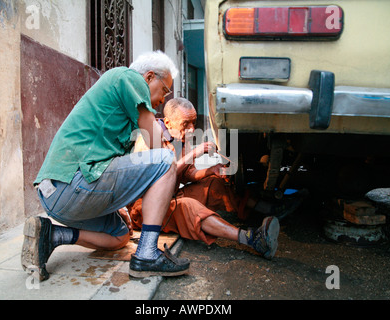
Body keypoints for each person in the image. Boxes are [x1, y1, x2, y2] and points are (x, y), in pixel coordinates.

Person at [21, 51, 190, 281]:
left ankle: (53, 236)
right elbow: (156, 146)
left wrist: (114, 202)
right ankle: (147, 254)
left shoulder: (124, 109)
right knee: (165, 160)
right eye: (166, 90)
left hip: (55, 198)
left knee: (119, 235)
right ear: (149, 77)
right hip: (72, 182)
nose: (164, 100)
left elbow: (116, 166)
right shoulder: (130, 78)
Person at [127, 97, 280, 259]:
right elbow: (154, 180)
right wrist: (193, 154)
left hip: (169, 198)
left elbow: (188, 174)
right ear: (169, 123)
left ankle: (266, 209)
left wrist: (211, 170)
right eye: (186, 123)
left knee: (214, 183)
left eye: (194, 122)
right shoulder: (149, 137)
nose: (192, 129)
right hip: (145, 208)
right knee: (188, 206)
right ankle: (252, 239)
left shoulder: (182, 139)